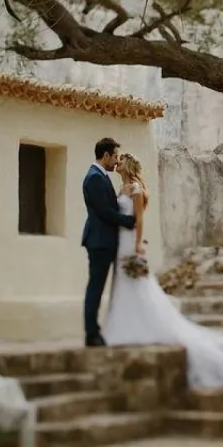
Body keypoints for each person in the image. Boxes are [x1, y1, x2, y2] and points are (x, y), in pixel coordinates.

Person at [102, 152, 223, 389]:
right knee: (123, 282)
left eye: (120, 160)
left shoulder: (136, 188)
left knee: (138, 284)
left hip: (131, 242)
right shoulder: (122, 188)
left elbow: (139, 220)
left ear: (128, 165)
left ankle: (142, 325)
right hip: (121, 241)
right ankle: (123, 324)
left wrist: (138, 244)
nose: (117, 163)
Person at [81, 137, 136, 347]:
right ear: (105, 155)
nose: (115, 161)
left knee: (98, 286)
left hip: (105, 240)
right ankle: (91, 333)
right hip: (99, 241)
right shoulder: (94, 177)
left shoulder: (100, 175)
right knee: (96, 286)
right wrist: (128, 221)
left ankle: (94, 330)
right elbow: (104, 211)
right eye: (114, 157)